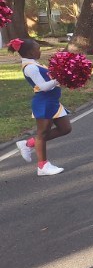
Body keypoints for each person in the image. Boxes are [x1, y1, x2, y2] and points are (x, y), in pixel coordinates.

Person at [9, 38, 72, 176]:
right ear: (30, 52)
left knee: (65, 128)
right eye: (38, 48)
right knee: (42, 134)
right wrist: (59, 79)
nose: (40, 50)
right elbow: (43, 87)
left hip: (53, 101)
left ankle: (28, 144)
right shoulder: (30, 67)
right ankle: (42, 166)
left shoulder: (33, 63)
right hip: (44, 102)